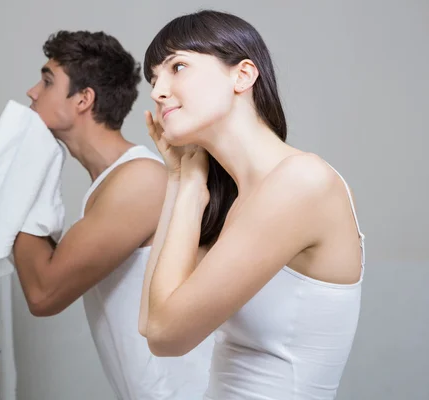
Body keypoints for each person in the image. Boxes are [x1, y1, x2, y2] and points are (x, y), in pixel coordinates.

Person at [139, 10, 364, 399]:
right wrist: (183, 180)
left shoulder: (301, 182)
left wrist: (190, 188)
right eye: (154, 79)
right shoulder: (237, 202)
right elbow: (148, 320)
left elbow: (165, 336)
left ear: (242, 75)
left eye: (177, 67)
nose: (158, 91)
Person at [12, 30, 213, 399]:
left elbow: (43, 293)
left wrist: (18, 176)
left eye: (47, 81)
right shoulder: (114, 182)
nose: (32, 92)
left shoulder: (139, 180)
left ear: (84, 99)